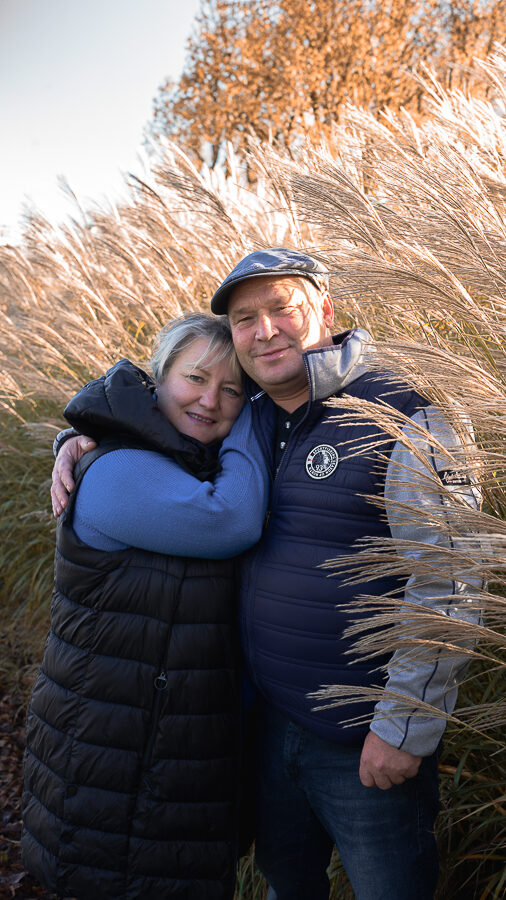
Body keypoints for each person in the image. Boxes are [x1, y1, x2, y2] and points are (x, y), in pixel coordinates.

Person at [52, 249, 481, 900]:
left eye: (282, 307)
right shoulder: (246, 412)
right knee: (288, 886)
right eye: (246, 318)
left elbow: (452, 576)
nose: (264, 330)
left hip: (362, 740)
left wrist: (404, 729)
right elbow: (157, 431)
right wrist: (83, 440)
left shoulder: (402, 409)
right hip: (262, 728)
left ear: (327, 312)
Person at [22, 313, 269, 900]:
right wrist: (256, 416)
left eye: (234, 390)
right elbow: (231, 519)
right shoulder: (118, 473)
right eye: (195, 379)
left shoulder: (184, 461)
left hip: (166, 755)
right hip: (115, 761)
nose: (211, 400)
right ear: (157, 379)